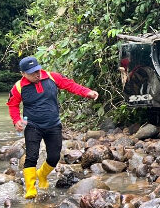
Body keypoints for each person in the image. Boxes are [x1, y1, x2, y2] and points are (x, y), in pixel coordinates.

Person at [7, 56, 99, 199]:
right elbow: (12, 105)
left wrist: (87, 92)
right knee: (31, 156)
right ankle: (30, 189)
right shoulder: (18, 87)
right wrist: (16, 120)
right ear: (23, 74)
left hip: (53, 124)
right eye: (32, 73)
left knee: (54, 157)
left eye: (37, 70)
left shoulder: (52, 77)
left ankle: (42, 174)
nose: (36, 74)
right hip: (33, 126)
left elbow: (71, 85)